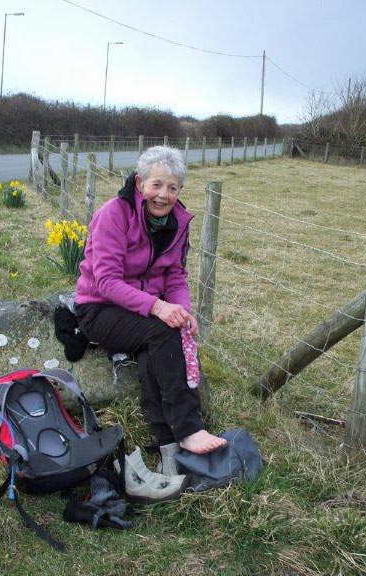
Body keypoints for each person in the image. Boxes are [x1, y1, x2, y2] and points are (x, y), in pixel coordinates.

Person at [74, 146, 226, 455]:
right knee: (161, 330)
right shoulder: (114, 214)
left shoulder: (178, 223)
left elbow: (175, 275)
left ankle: (165, 438)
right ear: (140, 182)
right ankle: (189, 427)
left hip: (142, 311)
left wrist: (181, 310)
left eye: (172, 187)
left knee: (157, 345)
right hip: (100, 309)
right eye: (156, 184)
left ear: (180, 190)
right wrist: (158, 307)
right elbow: (106, 281)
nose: (163, 195)